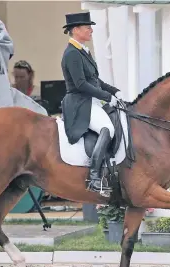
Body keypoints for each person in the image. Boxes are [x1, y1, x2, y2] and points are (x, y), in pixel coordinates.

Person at [60, 11, 124, 193]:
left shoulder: (83, 52)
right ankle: (94, 177)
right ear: (76, 29)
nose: (91, 31)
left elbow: (96, 81)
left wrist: (114, 91)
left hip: (91, 101)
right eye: (88, 27)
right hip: (80, 103)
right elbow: (80, 84)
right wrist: (107, 97)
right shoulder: (72, 54)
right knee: (108, 129)